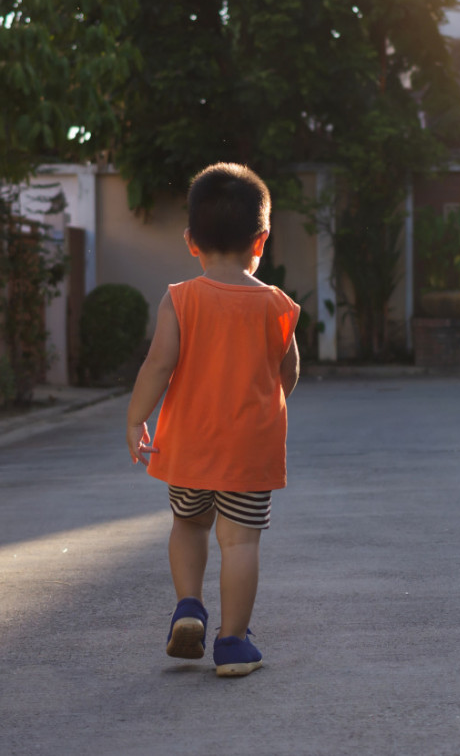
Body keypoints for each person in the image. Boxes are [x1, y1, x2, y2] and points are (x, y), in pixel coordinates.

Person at [125, 162, 301, 678]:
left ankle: (187, 607)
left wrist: (137, 420)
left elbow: (158, 365)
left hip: (187, 448)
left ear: (190, 241)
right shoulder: (276, 304)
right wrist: (267, 407)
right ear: (261, 241)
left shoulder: (180, 298)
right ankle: (232, 644)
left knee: (188, 524)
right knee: (240, 541)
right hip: (248, 450)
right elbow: (287, 372)